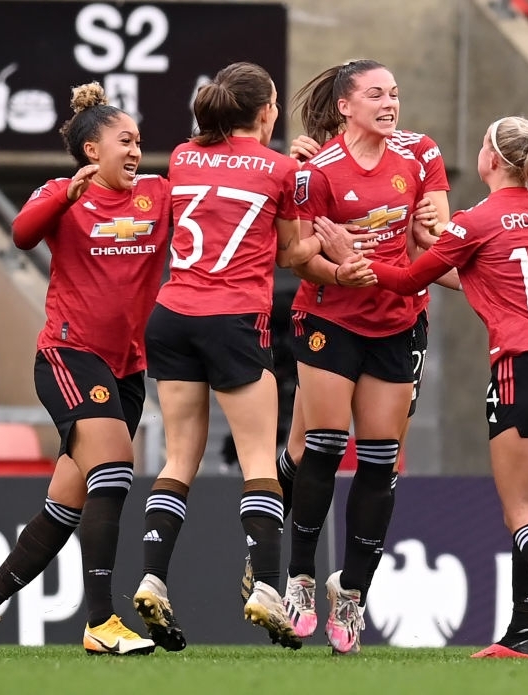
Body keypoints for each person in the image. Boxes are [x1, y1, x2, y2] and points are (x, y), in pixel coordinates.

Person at [350, 115, 528, 659]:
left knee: (523, 515)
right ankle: (521, 634)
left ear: (491, 158)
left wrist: (353, 252)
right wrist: (434, 242)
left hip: (525, 365)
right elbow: (485, 273)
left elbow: (409, 281)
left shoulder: (476, 220)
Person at [130, 61, 347, 652]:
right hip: (233, 320)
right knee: (257, 460)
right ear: (266, 111)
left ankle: (152, 577)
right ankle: (267, 588)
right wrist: (326, 238)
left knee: (180, 456)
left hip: (172, 315)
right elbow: (289, 254)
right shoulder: (282, 170)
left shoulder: (183, 156)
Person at [0, 82, 171, 657]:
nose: (135, 151)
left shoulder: (158, 195)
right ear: (91, 150)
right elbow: (23, 234)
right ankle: (101, 622)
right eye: (125, 141)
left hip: (127, 369)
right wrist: (65, 198)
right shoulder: (60, 192)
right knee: (115, 472)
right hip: (69, 357)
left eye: (139, 142)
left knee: (64, 508)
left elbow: (212, 198)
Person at [275, 59, 437, 655]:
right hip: (330, 320)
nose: (389, 103)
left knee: (379, 462)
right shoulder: (317, 171)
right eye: (375, 94)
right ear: (345, 106)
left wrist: (436, 243)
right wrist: (339, 271)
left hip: (393, 323)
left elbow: (424, 243)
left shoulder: (411, 166)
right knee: (322, 445)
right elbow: (296, 257)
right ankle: (299, 579)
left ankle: (352, 594)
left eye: (394, 93)